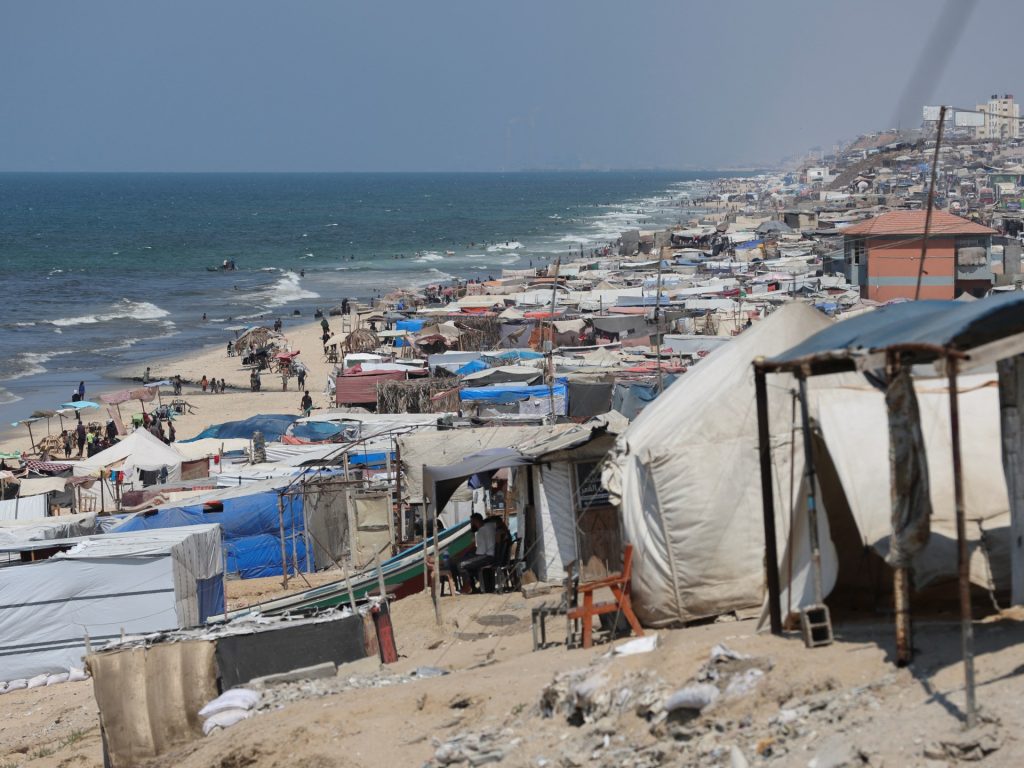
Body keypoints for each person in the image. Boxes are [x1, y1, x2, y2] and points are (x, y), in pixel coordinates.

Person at [458, 513, 497, 594]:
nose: (471, 525)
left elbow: (481, 553)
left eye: (472, 523)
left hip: (488, 557)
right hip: (493, 555)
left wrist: (469, 557)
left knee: (461, 564)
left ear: (475, 521)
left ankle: (468, 587)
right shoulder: (490, 527)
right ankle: (474, 585)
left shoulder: (481, 531)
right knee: (467, 560)